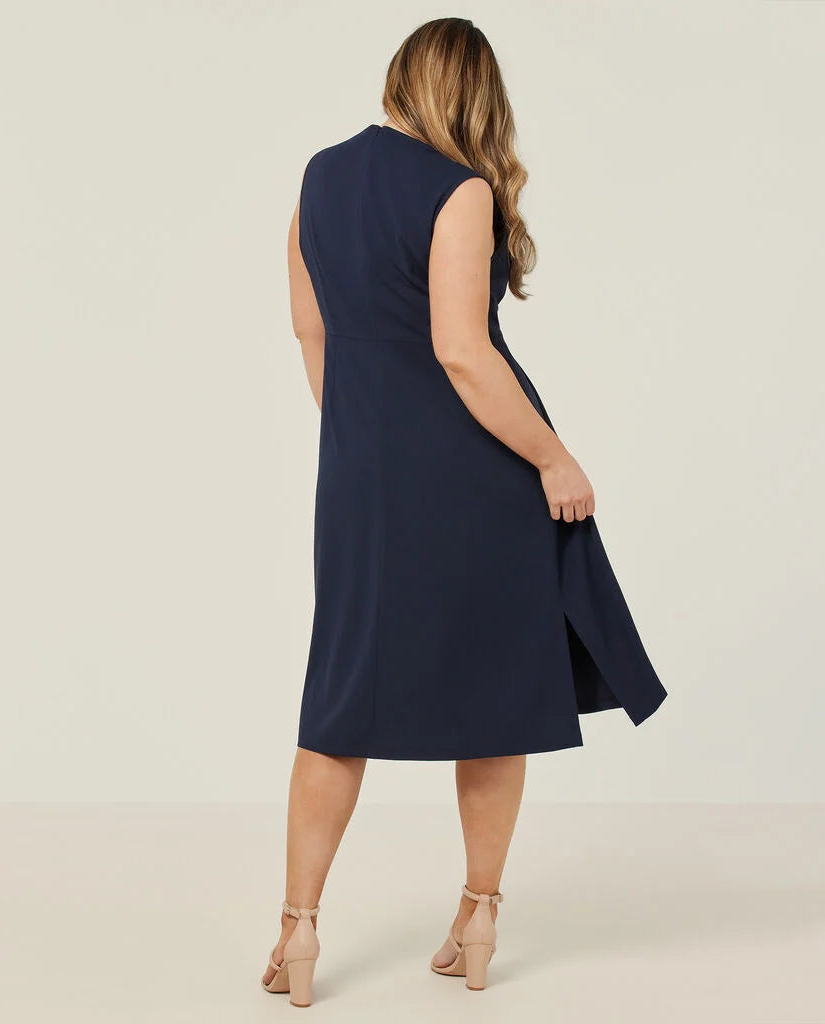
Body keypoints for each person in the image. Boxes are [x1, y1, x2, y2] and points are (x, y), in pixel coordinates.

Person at [261, 17, 668, 1007]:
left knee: (340, 697)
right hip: (476, 474)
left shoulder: (319, 177)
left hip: (359, 475)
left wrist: (365, 440)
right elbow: (462, 351)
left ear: (401, 77)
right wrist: (554, 456)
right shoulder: (461, 188)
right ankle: (479, 916)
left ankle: (298, 931)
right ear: (476, 94)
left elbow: (311, 331)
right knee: (495, 697)